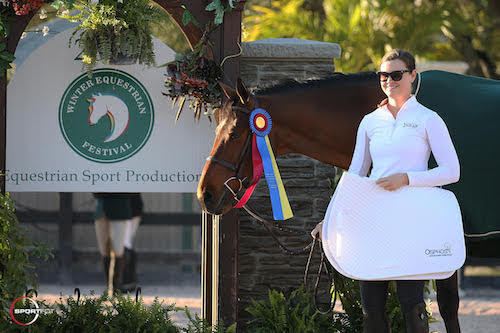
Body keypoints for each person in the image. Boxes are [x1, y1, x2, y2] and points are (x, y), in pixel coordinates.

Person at [311, 49, 460, 333]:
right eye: (383, 75)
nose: (389, 81)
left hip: (411, 221)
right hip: (373, 221)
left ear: (413, 76)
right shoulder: (370, 122)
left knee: (413, 306)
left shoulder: (429, 119)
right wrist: (331, 220)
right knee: (372, 310)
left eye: (396, 74)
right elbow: (354, 175)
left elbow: (452, 171)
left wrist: (407, 178)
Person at [94, 193, 134, 293]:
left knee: (118, 249)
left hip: (119, 209)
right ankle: (109, 286)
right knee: (104, 250)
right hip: (102, 209)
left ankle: (116, 287)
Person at [121, 193, 143, 292]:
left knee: (126, 244)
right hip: (124, 210)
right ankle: (125, 279)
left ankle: (128, 279)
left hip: (132, 210)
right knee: (124, 244)